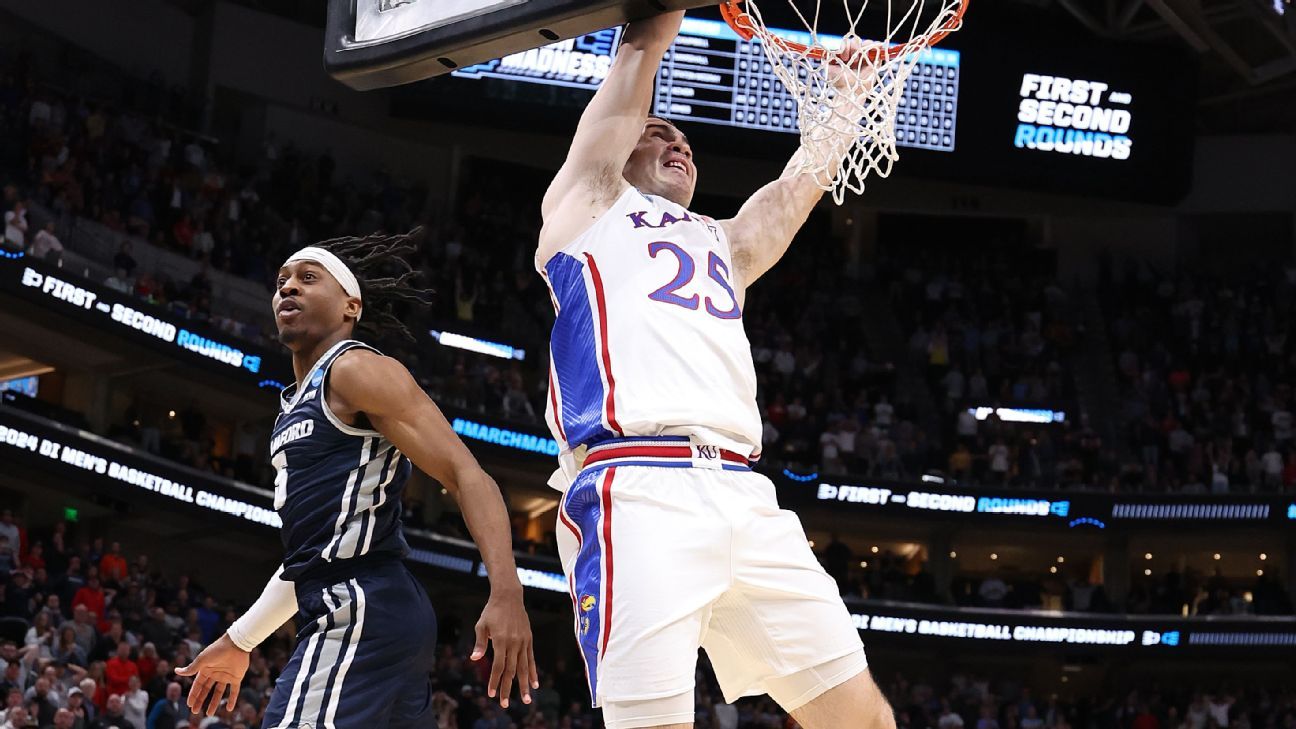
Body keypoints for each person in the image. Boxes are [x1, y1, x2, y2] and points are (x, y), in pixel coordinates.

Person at [537, 11, 890, 729]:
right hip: (635, 484)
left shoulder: (722, 243)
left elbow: (796, 189)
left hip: (744, 491)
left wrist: (848, 100)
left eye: (685, 139)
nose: (678, 142)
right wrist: (656, 27)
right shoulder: (586, 207)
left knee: (865, 721)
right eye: (657, 132)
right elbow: (639, 48)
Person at [177, 233, 537, 726]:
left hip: (360, 606)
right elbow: (311, 561)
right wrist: (238, 641)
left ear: (351, 305)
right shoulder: (291, 409)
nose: (288, 289)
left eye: (307, 279)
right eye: (282, 281)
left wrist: (507, 591)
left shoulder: (354, 369)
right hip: (370, 607)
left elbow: (465, 473)